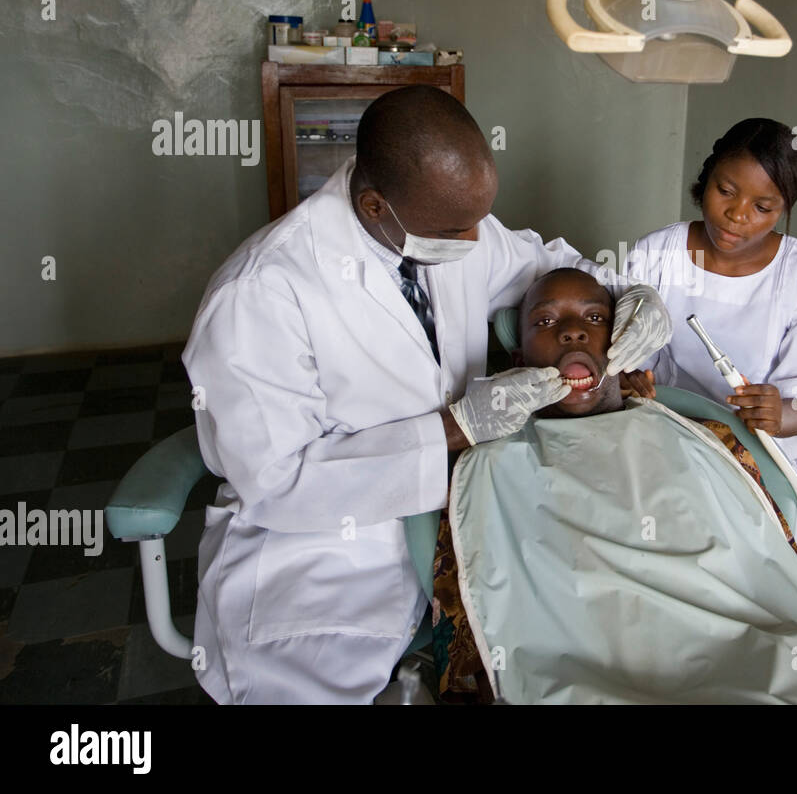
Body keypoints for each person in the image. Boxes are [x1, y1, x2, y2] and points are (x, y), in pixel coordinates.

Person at [182, 86, 671, 703]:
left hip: (466, 514)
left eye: (477, 219)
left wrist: (631, 298)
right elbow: (276, 481)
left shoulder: (450, 224)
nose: (474, 241)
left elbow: (551, 268)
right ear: (375, 205)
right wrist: (457, 426)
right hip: (322, 550)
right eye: (454, 229)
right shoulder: (261, 293)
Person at [444, 268, 797, 704]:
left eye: (594, 317)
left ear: (622, 340)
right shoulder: (491, 458)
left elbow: (754, 559)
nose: (572, 331)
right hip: (597, 665)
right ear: (519, 356)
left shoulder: (696, 430)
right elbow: (502, 597)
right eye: (545, 320)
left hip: (747, 639)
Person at [622, 117, 797, 467]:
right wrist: (628, 379)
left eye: (762, 207)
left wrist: (779, 416)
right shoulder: (657, 253)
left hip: (753, 454)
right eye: (725, 191)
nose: (736, 215)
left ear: (783, 208)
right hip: (664, 430)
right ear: (707, 178)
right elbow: (627, 361)